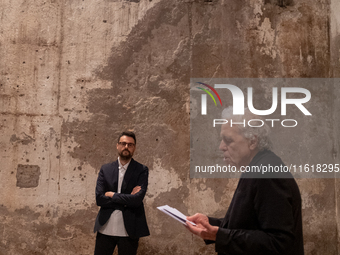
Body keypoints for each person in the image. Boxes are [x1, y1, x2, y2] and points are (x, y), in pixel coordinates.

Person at [186, 108, 304, 255]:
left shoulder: (267, 173)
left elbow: (278, 243)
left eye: (228, 140)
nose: (221, 147)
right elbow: (248, 224)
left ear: (253, 141)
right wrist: (210, 224)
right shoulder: (256, 168)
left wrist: (219, 235)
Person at [93, 131, 150, 255]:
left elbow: (137, 200)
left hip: (129, 228)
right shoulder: (105, 169)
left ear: (134, 147)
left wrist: (112, 195)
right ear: (117, 145)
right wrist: (127, 199)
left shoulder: (141, 170)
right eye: (123, 143)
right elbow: (99, 199)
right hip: (105, 227)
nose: (126, 147)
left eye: (130, 145)